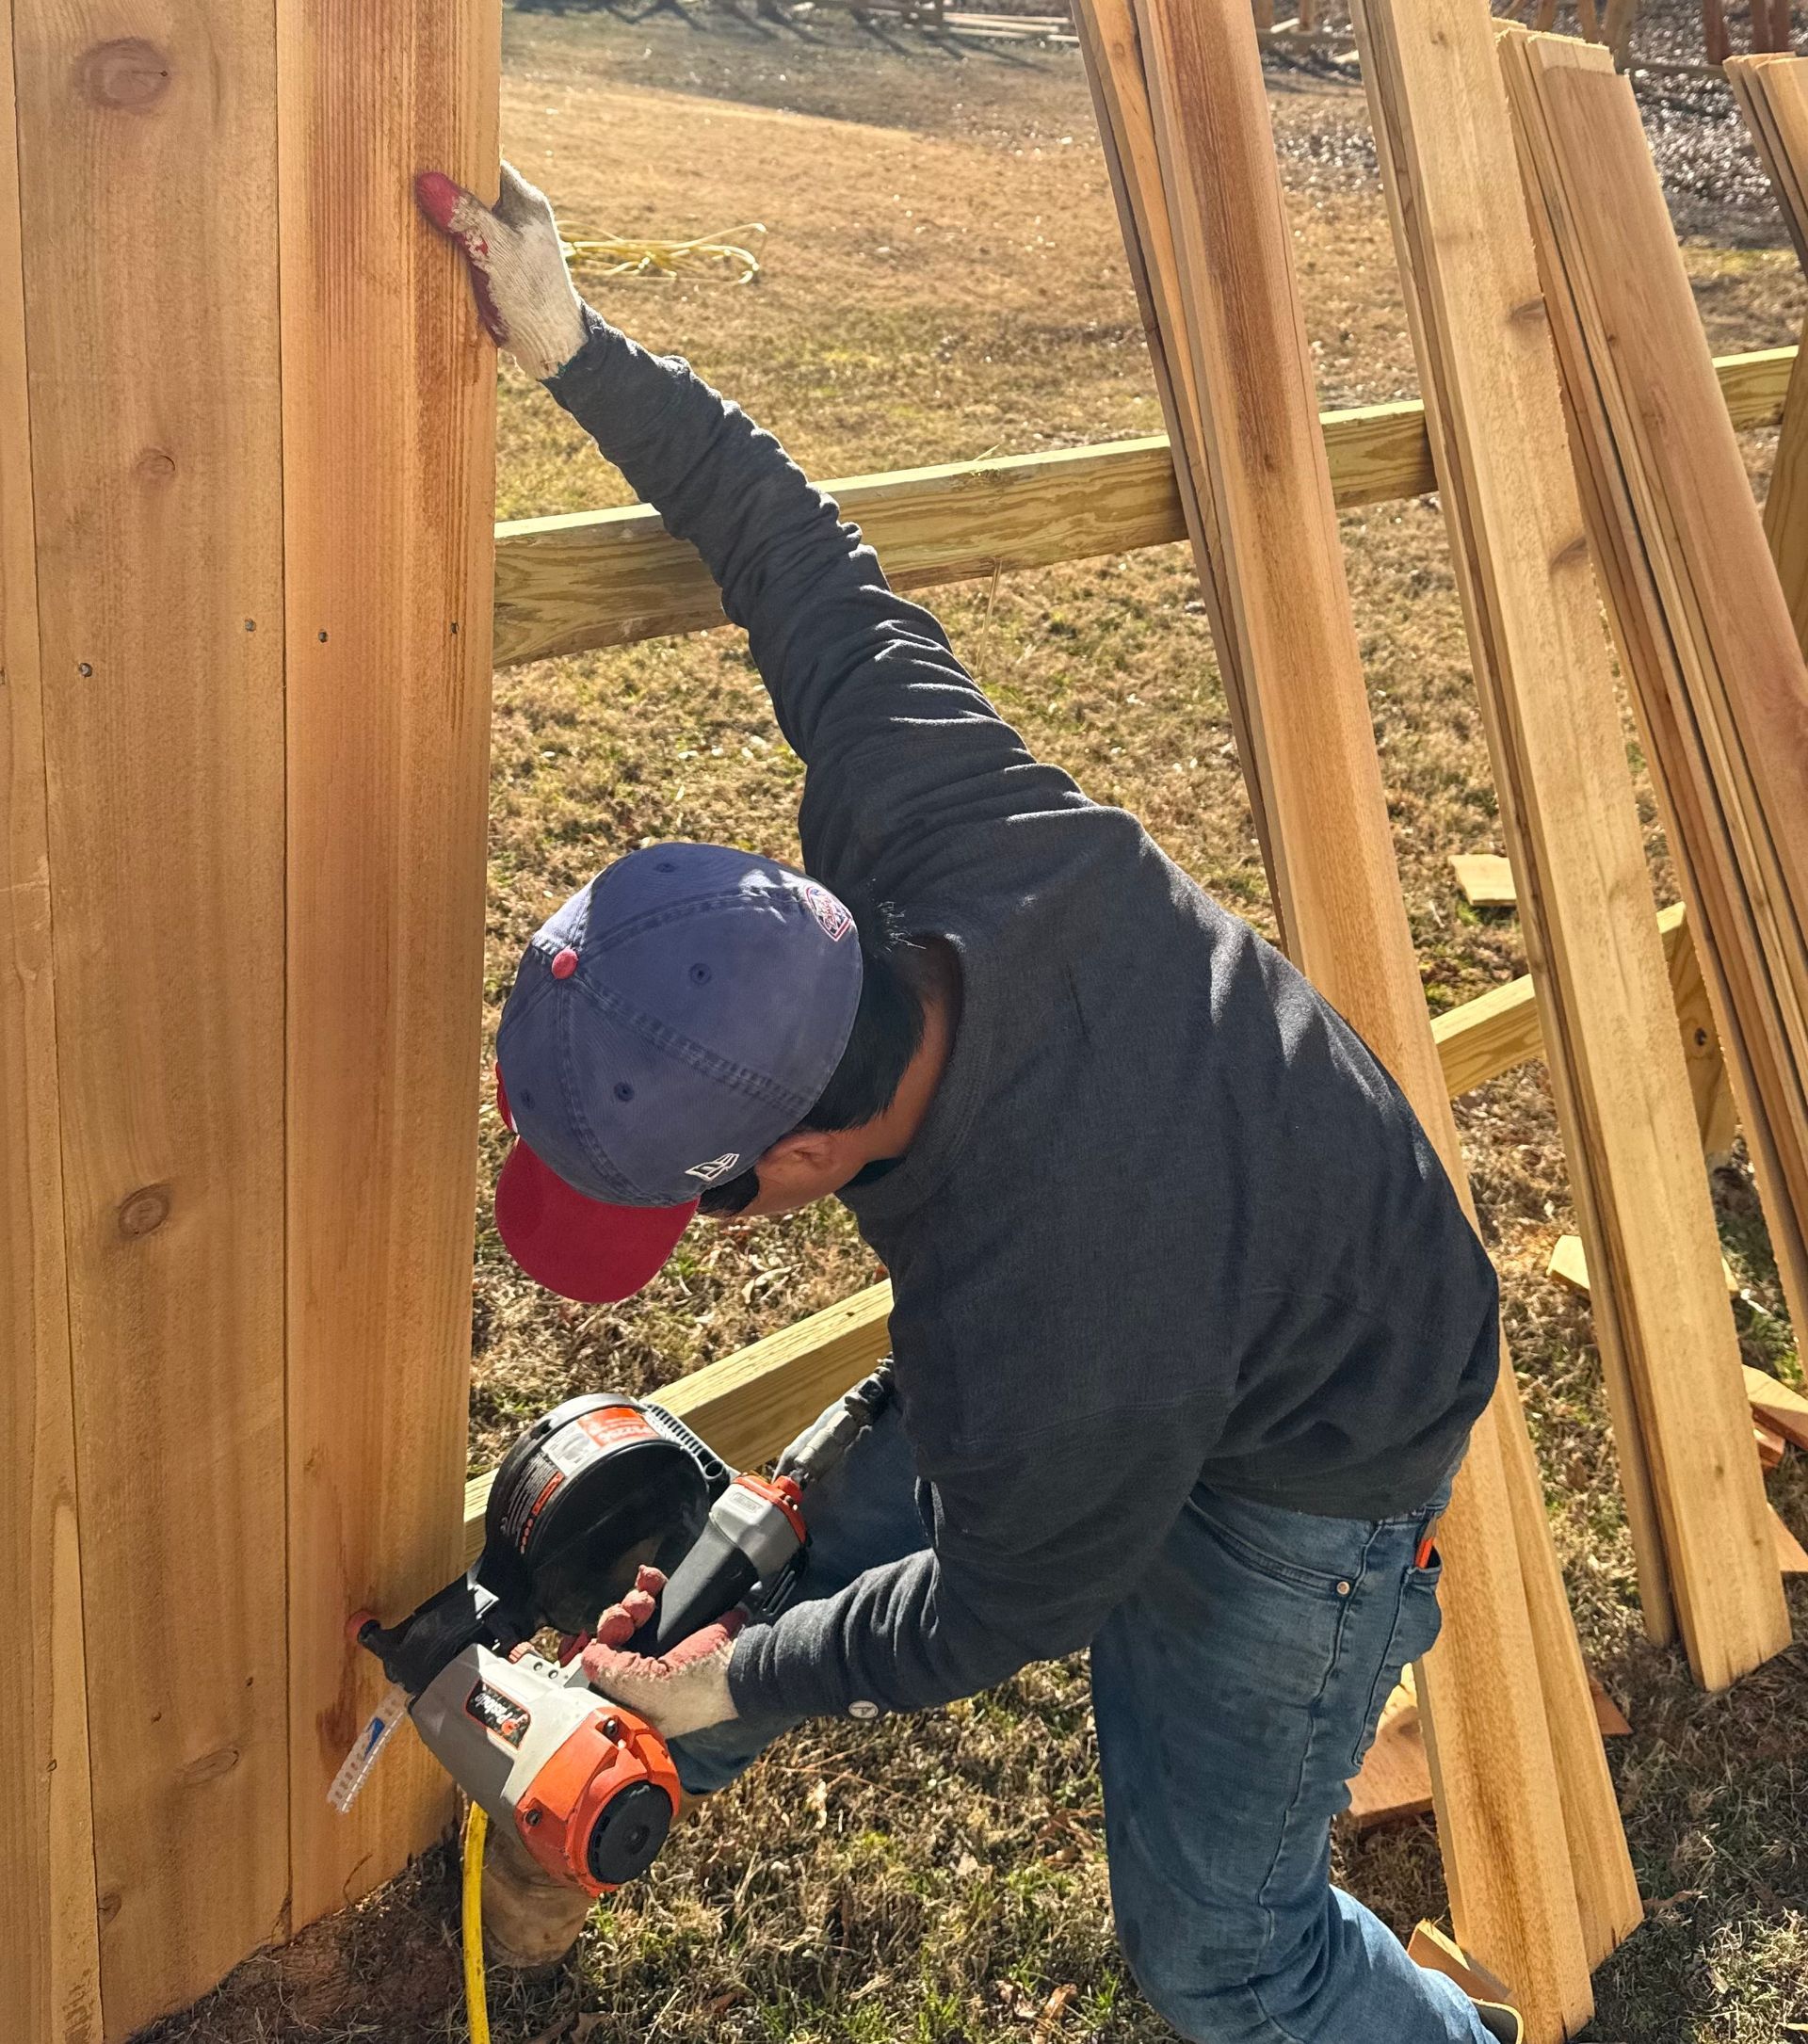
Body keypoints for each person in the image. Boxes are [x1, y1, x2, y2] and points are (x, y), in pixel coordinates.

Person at [416, 163, 1521, 2044]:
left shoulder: (1063, 1318)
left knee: (1227, 1963)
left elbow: (993, 1609)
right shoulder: (922, 816)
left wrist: (733, 1676)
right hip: (1207, 1253)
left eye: (703, 1208)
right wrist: (575, 347)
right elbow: (788, 545)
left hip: (1314, 1451)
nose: (706, 1234)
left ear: (810, 1153)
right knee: (817, 1541)